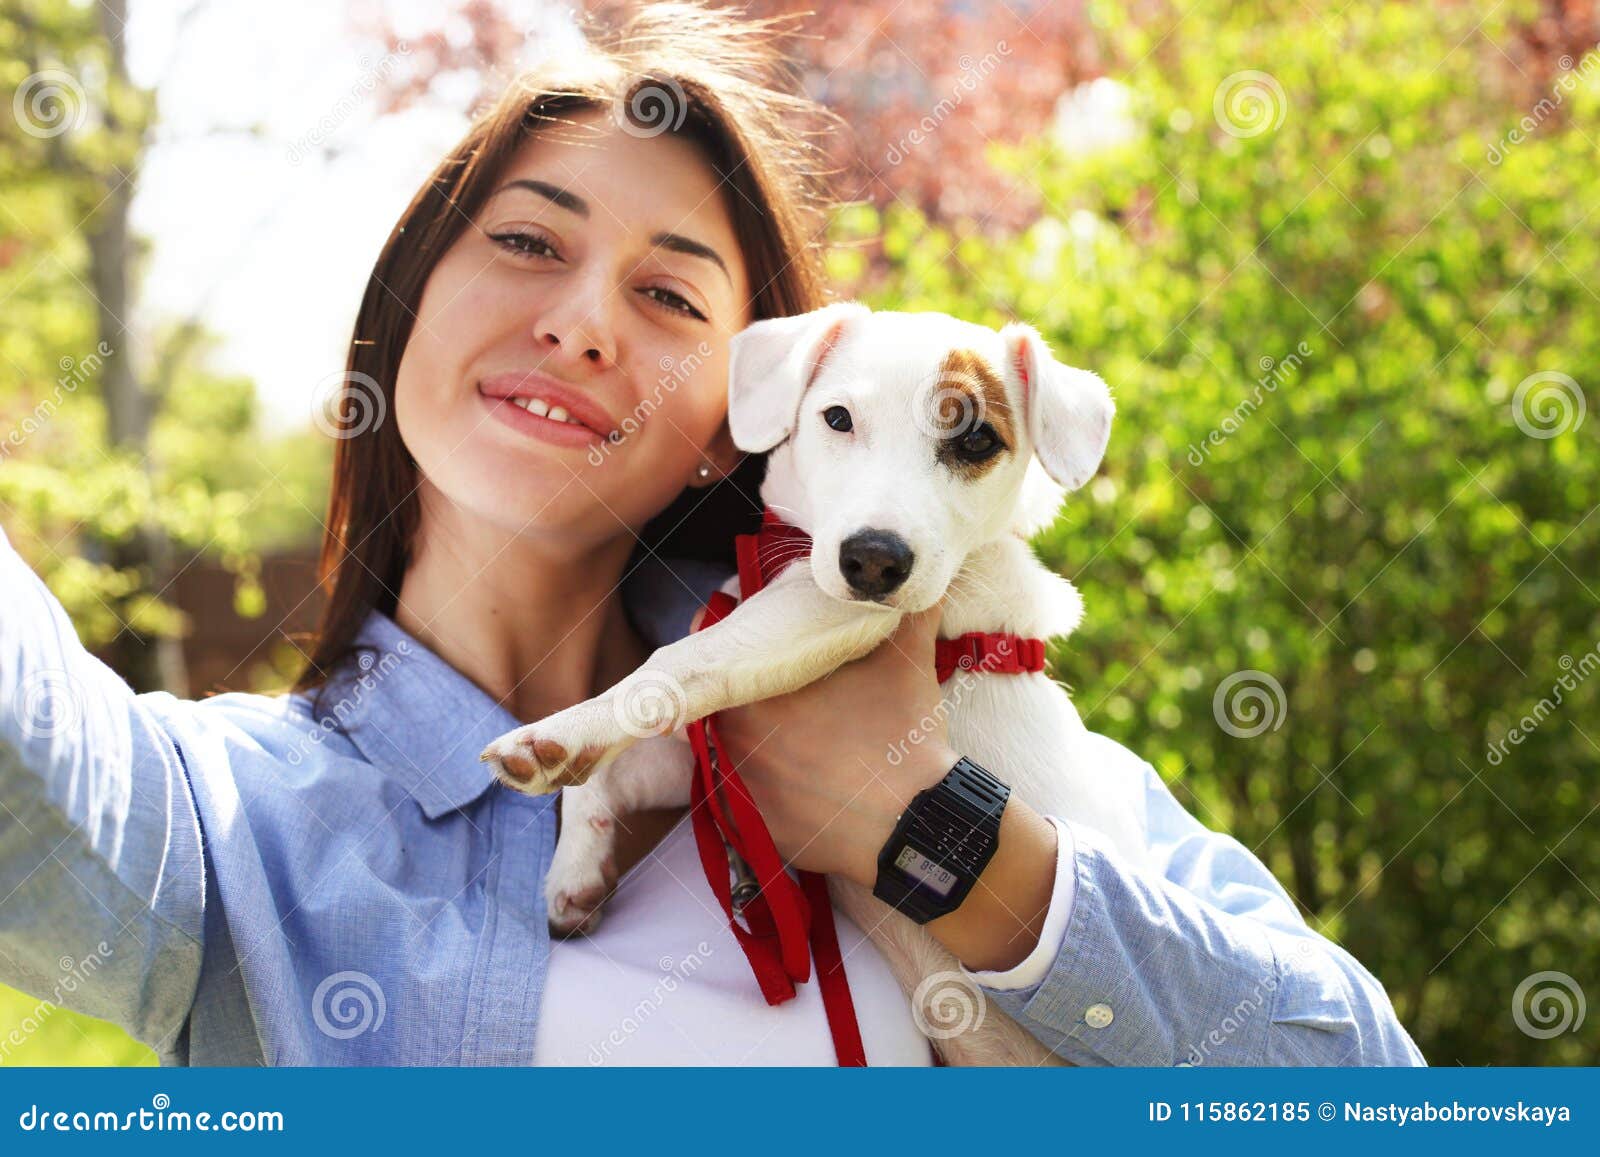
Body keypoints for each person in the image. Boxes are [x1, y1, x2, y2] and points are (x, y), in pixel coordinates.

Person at [0, 1, 1423, 1067]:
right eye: (528, 241)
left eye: (672, 296)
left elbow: (1363, 1091)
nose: (581, 320)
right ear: (406, 305)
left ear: (752, 415)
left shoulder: (977, 726)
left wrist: (934, 832)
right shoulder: (230, 826)